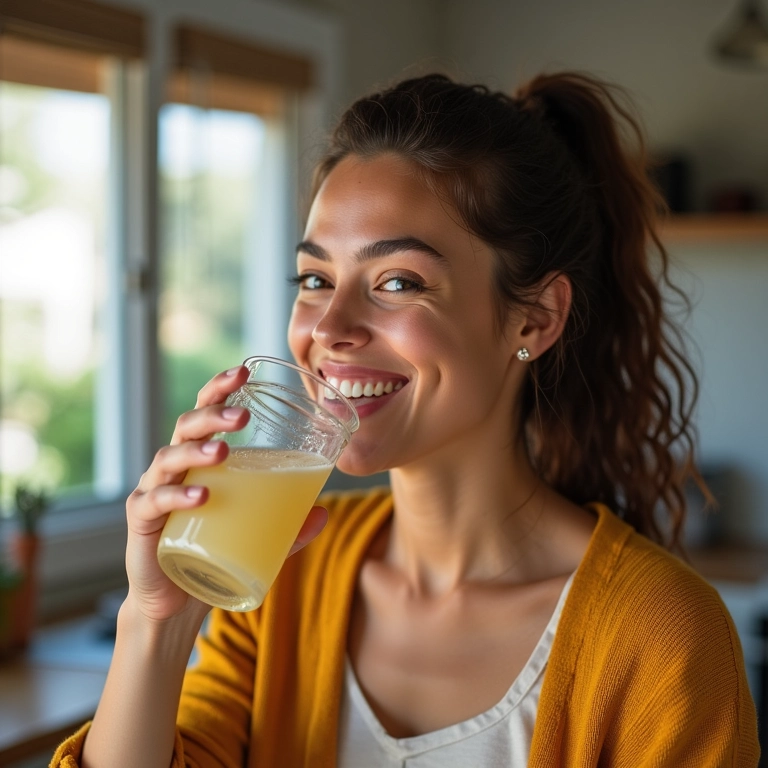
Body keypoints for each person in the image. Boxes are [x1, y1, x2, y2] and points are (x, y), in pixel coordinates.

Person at [52, 72, 759, 768]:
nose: (329, 327)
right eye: (315, 280)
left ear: (536, 317)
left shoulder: (663, 636)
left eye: (397, 282)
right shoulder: (281, 581)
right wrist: (158, 627)